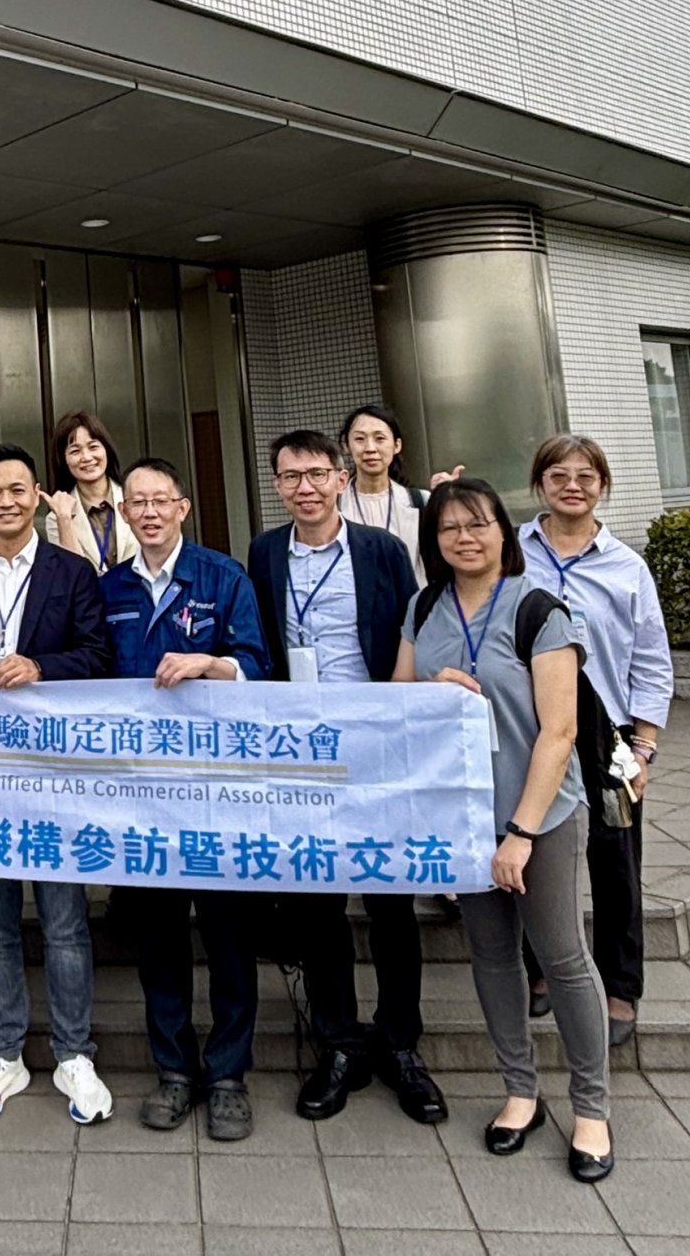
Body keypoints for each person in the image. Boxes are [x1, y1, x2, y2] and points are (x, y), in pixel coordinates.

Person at [395, 478, 613, 1182]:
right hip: (462, 816)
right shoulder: (423, 606)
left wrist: (520, 832)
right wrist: (430, 691)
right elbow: (396, 699)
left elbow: (560, 730)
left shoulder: (538, 609)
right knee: (491, 956)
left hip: (540, 816)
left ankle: (592, 1106)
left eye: (478, 523)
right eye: (449, 527)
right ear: (433, 540)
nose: (464, 537)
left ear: (503, 531)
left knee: (562, 955)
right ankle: (521, 1091)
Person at [248, 429, 446, 1127]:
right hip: (301, 748)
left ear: (339, 477)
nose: (304, 487)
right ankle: (336, 1043)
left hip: (374, 742)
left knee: (391, 900)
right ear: (277, 485)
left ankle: (400, 1044)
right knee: (317, 903)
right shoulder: (264, 552)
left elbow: (412, 630)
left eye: (315, 473)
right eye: (289, 476)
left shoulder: (381, 549)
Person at [0, 443, 115, 1128]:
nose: (5, 501)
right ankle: (1, 1051)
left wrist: (41, 666)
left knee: (64, 922)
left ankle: (74, 1052)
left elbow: (99, 656)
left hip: (53, 773)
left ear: (37, 495)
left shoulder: (72, 571)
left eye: (17, 489)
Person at [99, 458, 270, 1141]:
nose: (148, 511)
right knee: (160, 940)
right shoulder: (109, 587)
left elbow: (258, 663)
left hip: (217, 793)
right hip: (144, 796)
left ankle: (228, 1075)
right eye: (136, 502)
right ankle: (173, 1069)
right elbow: (92, 673)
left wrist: (210, 663)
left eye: (159, 500)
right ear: (124, 513)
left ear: (183, 507)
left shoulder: (223, 577)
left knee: (229, 938)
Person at [519, 435, 672, 1047]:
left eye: (586, 475)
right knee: (533, 851)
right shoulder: (514, 553)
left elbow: (652, 662)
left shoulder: (626, 566)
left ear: (602, 486)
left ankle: (620, 988)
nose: (572, 486)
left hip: (609, 737)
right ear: (540, 484)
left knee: (616, 864)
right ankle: (540, 969)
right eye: (559, 475)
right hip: (531, 730)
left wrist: (644, 749)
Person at [39, 410, 140, 574]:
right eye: (75, 451)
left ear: (106, 450)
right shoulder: (56, 518)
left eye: (93, 447)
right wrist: (64, 520)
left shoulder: (137, 498)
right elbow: (71, 574)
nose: (86, 457)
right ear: (63, 460)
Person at [339, 403, 428, 587]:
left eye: (380, 438)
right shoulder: (333, 505)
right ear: (346, 445)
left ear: (397, 445)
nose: (370, 448)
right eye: (360, 439)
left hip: (412, 602)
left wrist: (448, 498)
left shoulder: (421, 501)